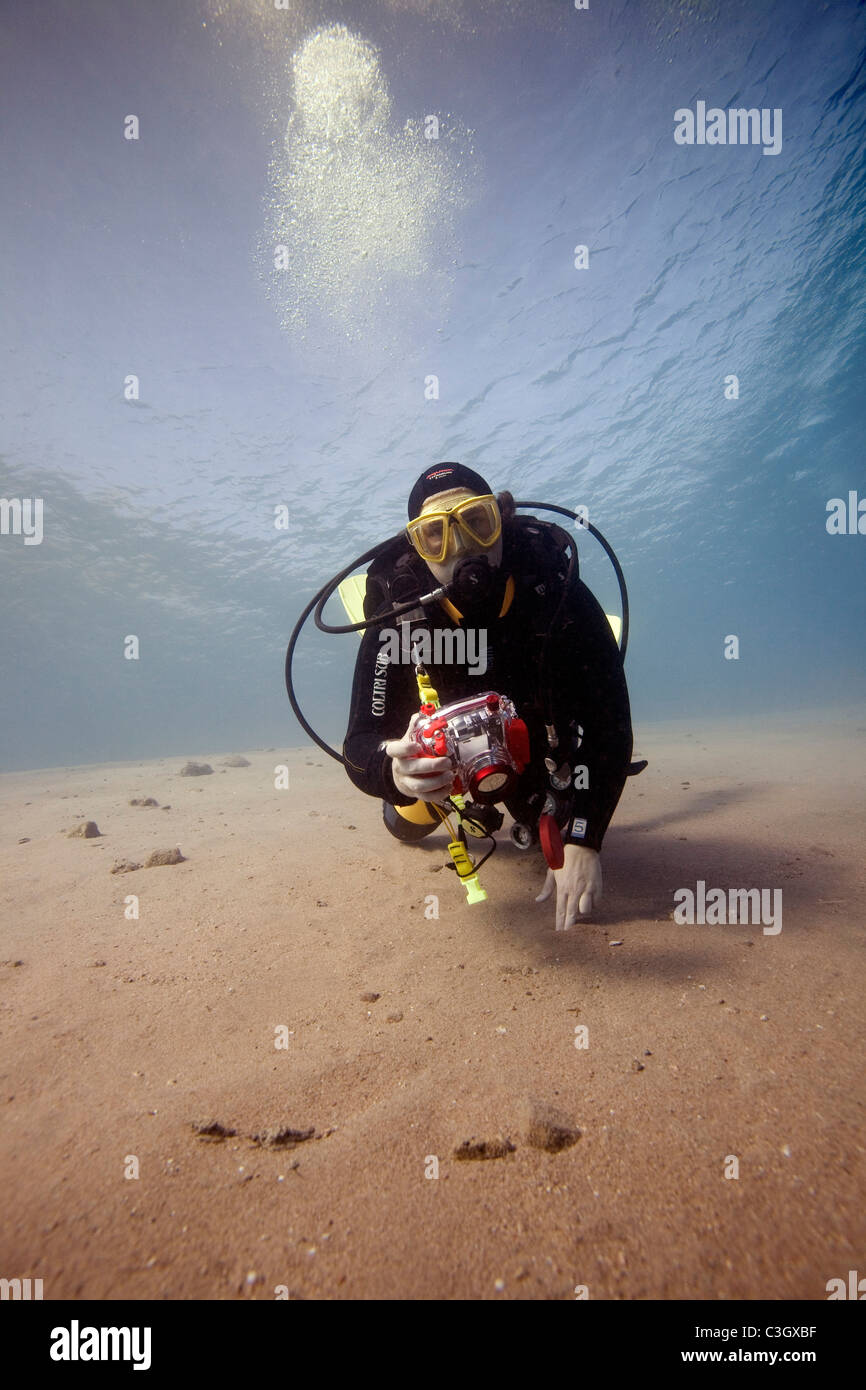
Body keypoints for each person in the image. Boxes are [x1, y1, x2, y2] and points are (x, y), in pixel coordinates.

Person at [342, 462, 634, 930]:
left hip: (531, 756)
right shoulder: (400, 618)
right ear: (417, 548)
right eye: (436, 534)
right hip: (443, 768)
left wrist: (586, 836)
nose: (462, 547)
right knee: (407, 823)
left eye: (477, 522)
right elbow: (358, 743)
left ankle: (544, 816)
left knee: (552, 836)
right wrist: (393, 771)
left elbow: (611, 727)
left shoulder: (556, 594)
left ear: (503, 518)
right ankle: (422, 803)